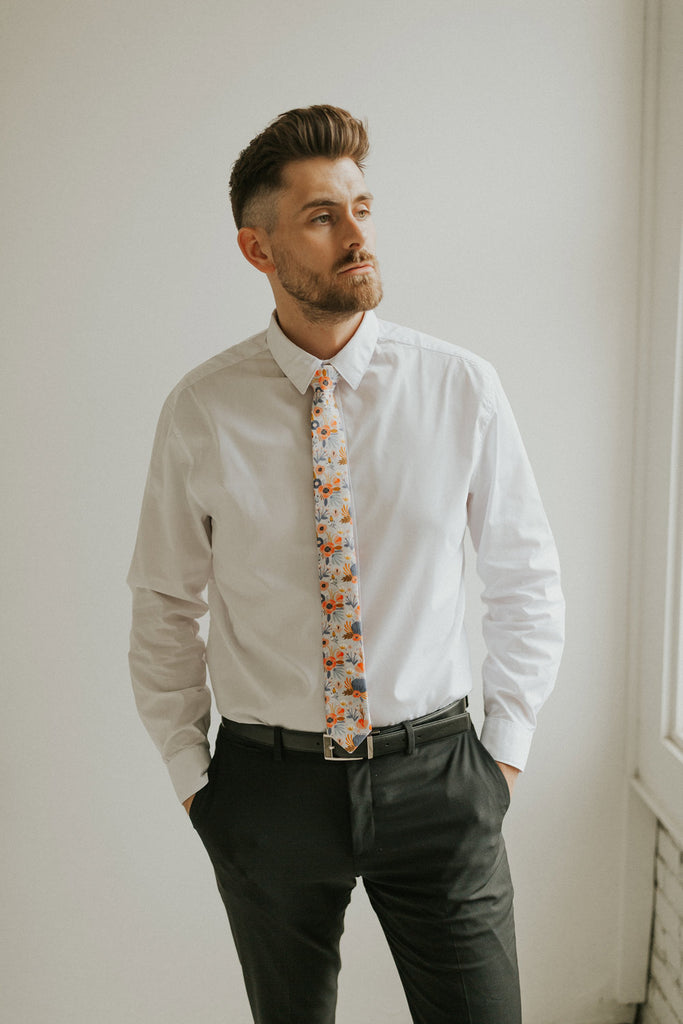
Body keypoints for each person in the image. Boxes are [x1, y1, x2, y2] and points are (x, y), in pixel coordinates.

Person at [128, 104, 564, 1024]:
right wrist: (193, 778)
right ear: (258, 249)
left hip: (439, 777)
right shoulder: (202, 410)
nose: (357, 236)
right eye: (323, 217)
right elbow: (164, 601)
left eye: (362, 207)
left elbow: (524, 577)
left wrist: (504, 756)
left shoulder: (458, 387)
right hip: (267, 789)